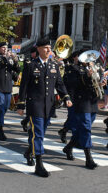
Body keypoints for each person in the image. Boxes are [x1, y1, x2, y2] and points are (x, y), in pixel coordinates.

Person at [17, 36, 72, 177]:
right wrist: (21, 104)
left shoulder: (54, 65)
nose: (49, 50)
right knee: (39, 134)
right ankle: (39, 164)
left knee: (40, 133)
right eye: (46, 48)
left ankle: (29, 152)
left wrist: (66, 97)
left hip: (49, 104)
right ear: (39, 49)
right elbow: (24, 86)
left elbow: (59, 84)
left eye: (49, 47)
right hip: (34, 104)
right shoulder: (31, 64)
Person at [62, 50, 103, 169]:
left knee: (83, 129)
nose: (90, 60)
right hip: (81, 101)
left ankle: (68, 147)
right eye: (87, 58)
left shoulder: (93, 68)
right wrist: (87, 76)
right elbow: (71, 83)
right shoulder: (73, 68)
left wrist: (100, 83)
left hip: (92, 101)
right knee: (85, 128)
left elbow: (93, 84)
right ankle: (88, 157)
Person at [0, 41, 20, 140]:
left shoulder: (10, 58)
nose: (5, 49)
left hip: (7, 86)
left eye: (6, 48)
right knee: (0, 108)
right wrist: (5, 58)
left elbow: (17, 70)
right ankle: (1, 130)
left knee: (5, 107)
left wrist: (15, 60)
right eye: (3, 47)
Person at [58, 50, 81, 143]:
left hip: (82, 97)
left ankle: (64, 130)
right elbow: (68, 83)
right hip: (72, 96)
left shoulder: (86, 68)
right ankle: (74, 140)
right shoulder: (69, 68)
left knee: (74, 117)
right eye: (79, 56)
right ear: (74, 57)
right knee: (73, 116)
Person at [20, 46, 38, 132]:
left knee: (33, 113)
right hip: (32, 90)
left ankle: (25, 121)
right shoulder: (29, 62)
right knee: (32, 113)